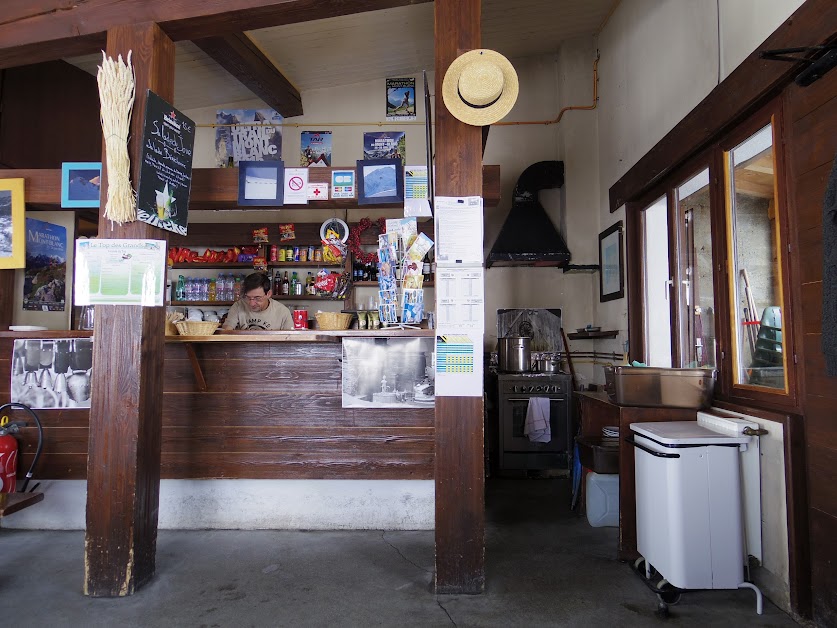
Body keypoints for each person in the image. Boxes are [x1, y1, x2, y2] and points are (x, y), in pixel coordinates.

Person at [222, 272, 293, 331]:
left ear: (268, 294)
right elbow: (227, 332)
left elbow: (290, 342)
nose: (252, 304)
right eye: (248, 297)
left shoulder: (283, 312)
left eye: (257, 298)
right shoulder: (238, 306)